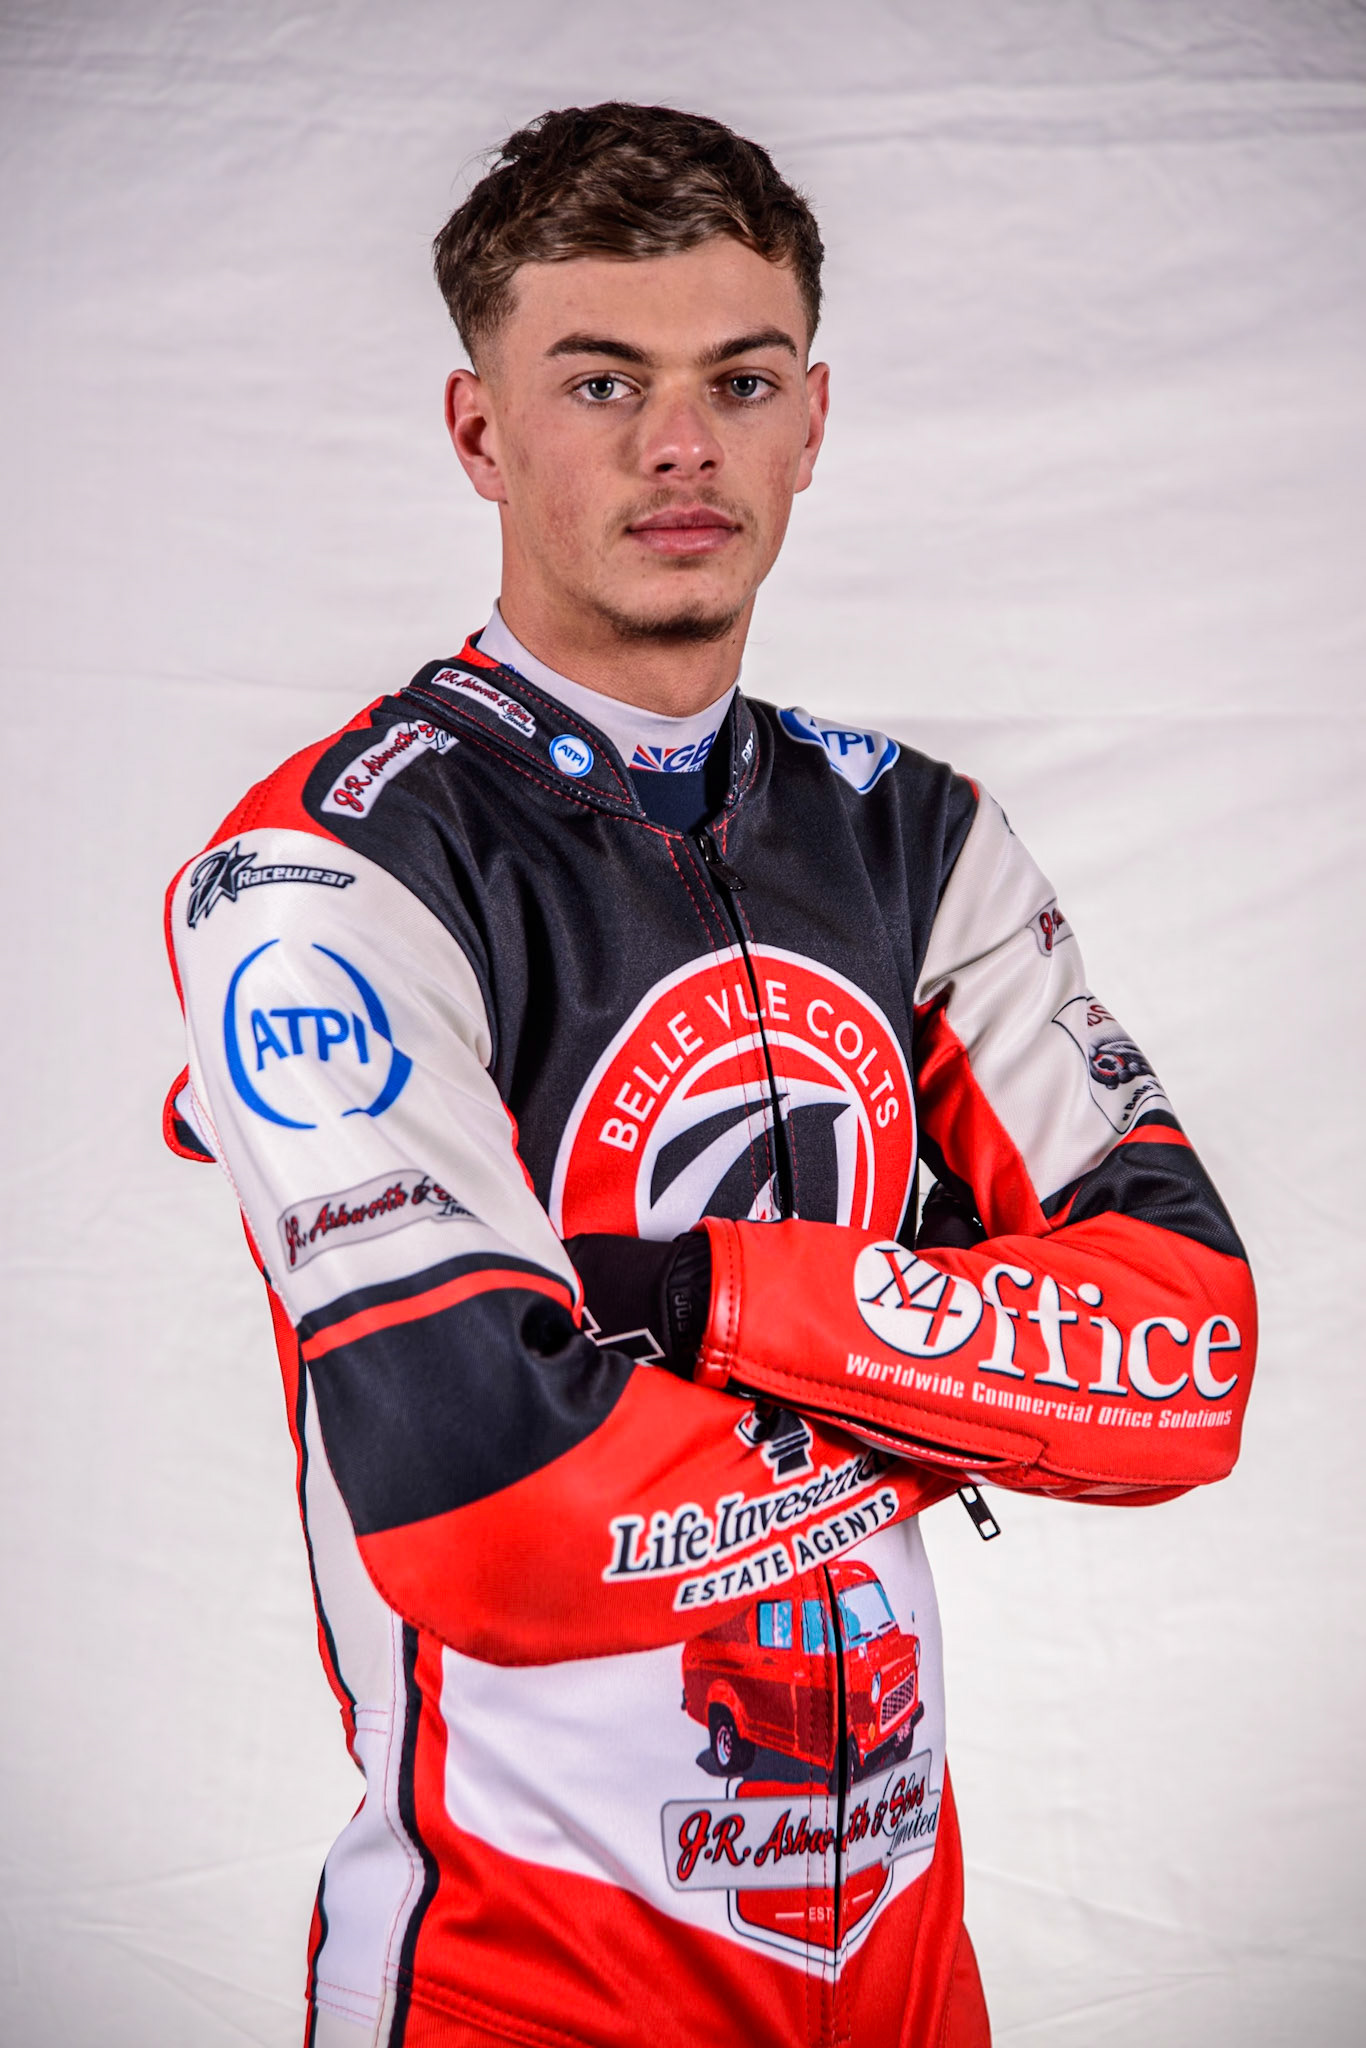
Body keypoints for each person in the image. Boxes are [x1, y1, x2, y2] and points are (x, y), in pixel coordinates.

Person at [162, 101, 1256, 2048]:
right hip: (524, 1981)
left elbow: (1185, 1365)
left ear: (810, 421)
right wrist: (965, 1390)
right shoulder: (330, 874)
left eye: (738, 381)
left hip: (903, 1972)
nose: (681, 445)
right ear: (479, 431)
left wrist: (694, 1302)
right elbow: (494, 1512)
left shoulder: (916, 838)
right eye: (603, 383)